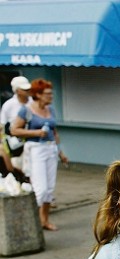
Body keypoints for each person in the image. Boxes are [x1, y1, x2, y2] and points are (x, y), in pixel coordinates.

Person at [10, 78, 68, 231]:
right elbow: (14, 130)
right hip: (35, 149)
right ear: (38, 94)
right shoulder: (26, 110)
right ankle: (29, 222)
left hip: (51, 149)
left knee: (49, 189)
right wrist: (36, 132)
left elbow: (54, 132)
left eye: (51, 93)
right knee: (40, 189)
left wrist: (60, 152)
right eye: (48, 94)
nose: (51, 96)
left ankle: (44, 221)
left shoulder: (51, 109)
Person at [0, 76, 31, 178]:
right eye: (24, 89)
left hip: (32, 140)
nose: (27, 91)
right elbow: (2, 126)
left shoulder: (33, 102)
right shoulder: (8, 105)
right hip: (15, 143)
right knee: (17, 166)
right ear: (17, 91)